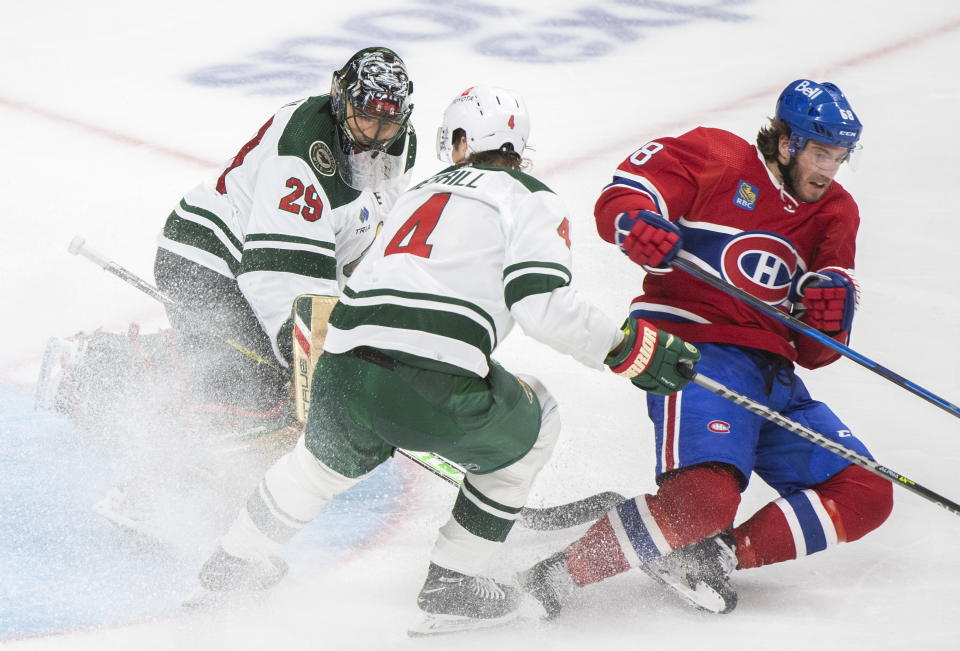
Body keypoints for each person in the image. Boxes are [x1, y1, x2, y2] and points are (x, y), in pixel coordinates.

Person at [192, 85, 701, 635]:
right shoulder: (531, 197)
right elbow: (542, 305)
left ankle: (231, 565)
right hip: (431, 378)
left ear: (461, 142)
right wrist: (627, 346)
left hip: (342, 361)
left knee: (314, 470)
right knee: (541, 416)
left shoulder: (419, 190)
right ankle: (454, 581)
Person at [519, 79, 894, 617]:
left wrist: (831, 320)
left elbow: (816, 352)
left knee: (867, 491)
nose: (828, 170)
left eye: (840, 157)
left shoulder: (836, 213)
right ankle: (549, 579)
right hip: (697, 352)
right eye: (820, 153)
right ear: (786, 143)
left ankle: (711, 555)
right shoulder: (716, 155)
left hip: (776, 378)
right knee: (704, 502)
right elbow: (620, 199)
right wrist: (635, 222)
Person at [34, 46, 418, 536]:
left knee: (259, 375)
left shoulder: (397, 142)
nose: (376, 136)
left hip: (271, 267)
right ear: (339, 100)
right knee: (259, 388)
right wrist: (314, 359)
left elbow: (370, 223)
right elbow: (279, 274)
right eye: (365, 121)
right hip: (206, 261)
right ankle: (142, 480)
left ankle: (105, 364)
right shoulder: (303, 150)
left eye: (387, 125)